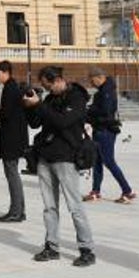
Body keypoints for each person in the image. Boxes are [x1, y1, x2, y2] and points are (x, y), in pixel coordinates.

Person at [24, 65, 96, 267]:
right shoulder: (49, 99)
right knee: (49, 207)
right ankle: (52, 245)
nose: (46, 90)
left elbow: (62, 121)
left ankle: (86, 248)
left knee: (74, 206)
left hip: (66, 156)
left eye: (48, 86)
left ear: (57, 80)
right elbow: (36, 124)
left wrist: (40, 106)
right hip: (46, 156)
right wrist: (30, 106)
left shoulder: (77, 98)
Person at [83, 66, 137, 204]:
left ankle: (127, 191)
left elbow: (105, 111)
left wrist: (89, 114)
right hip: (100, 128)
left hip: (105, 130)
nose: (91, 84)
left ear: (99, 77)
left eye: (92, 80)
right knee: (97, 162)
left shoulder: (106, 91)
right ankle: (95, 191)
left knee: (109, 161)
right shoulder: (103, 90)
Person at [0, 60, 27, 222]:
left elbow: (6, 113)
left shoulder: (10, 88)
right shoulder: (12, 87)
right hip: (15, 136)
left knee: (12, 174)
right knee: (13, 174)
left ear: (6, 73)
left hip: (11, 138)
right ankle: (19, 209)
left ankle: (16, 211)